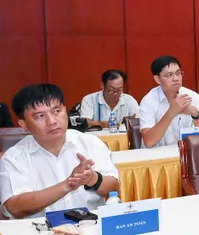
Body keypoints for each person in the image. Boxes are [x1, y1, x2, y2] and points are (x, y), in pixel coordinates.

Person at [0, 84, 119, 218]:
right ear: (24, 125)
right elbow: (14, 207)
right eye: (40, 116)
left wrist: (93, 179)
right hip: (39, 229)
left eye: (56, 111)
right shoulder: (14, 157)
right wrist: (67, 185)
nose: (52, 121)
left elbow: (114, 188)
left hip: (92, 225)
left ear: (65, 110)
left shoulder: (91, 143)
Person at [139, 56, 199, 148]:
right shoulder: (148, 101)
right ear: (157, 79)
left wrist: (196, 116)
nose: (176, 78)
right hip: (156, 155)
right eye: (169, 75)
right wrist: (172, 112)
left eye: (178, 73)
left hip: (186, 153)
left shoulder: (193, 98)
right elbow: (149, 142)